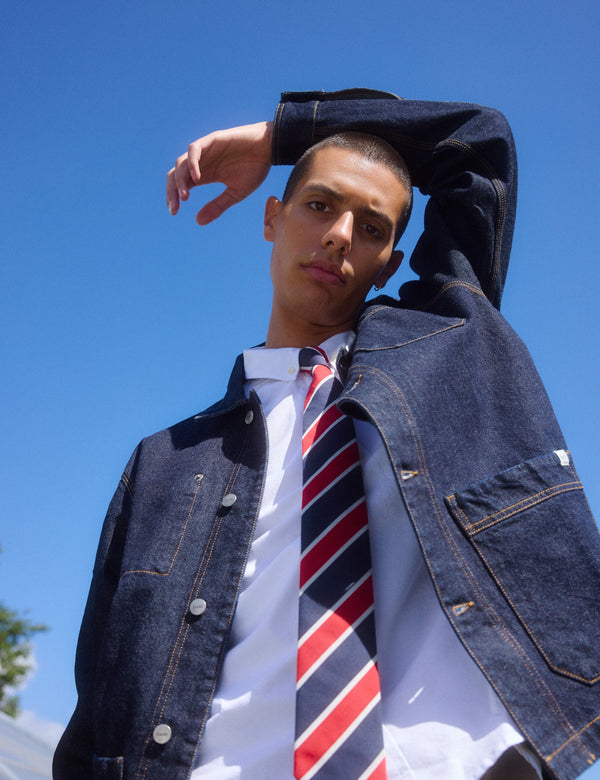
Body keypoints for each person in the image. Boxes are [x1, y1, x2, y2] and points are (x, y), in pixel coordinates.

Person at [53, 90, 600, 780]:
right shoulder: (166, 461)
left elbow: (479, 139)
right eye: (319, 205)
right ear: (272, 219)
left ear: (391, 262)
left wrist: (280, 136)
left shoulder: (445, 350)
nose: (341, 234)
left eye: (371, 227)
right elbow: (97, 701)